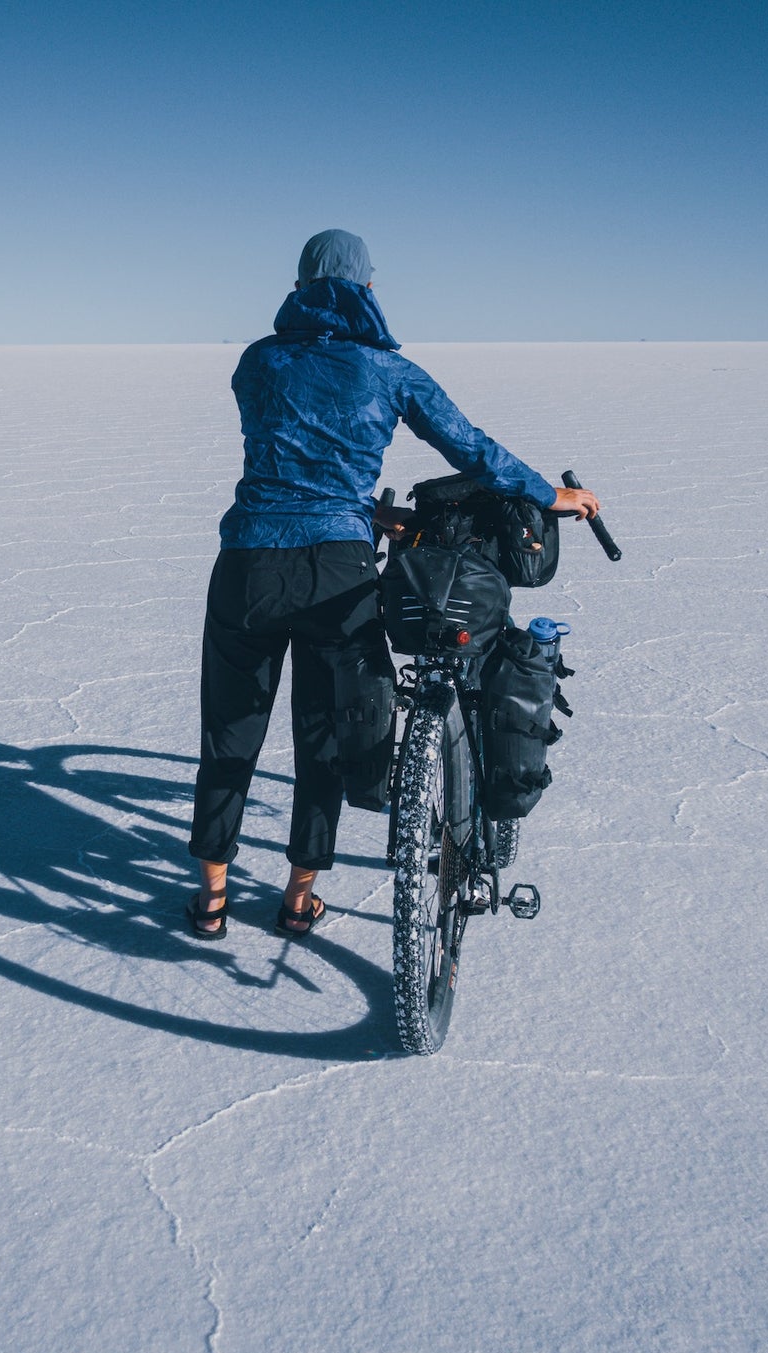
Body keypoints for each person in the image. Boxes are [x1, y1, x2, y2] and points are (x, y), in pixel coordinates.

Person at [185, 228, 600, 941]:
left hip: (248, 562)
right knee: (322, 732)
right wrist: (548, 495)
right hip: (336, 572)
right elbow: (468, 444)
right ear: (368, 288)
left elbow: (294, 446)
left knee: (229, 732)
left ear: (298, 286)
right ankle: (296, 898)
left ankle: (212, 901)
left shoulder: (258, 361)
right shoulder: (386, 369)